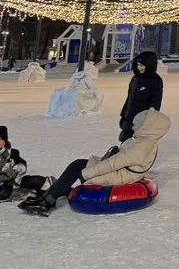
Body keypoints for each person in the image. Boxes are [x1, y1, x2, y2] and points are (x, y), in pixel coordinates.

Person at [18, 109, 170, 217]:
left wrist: (87, 174)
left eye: (136, 124)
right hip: (122, 172)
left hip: (121, 176)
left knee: (77, 168)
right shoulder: (144, 141)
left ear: (147, 127)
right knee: (78, 164)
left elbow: (113, 164)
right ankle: (53, 194)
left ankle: (47, 202)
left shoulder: (142, 145)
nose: (132, 127)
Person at [119, 50, 163, 143]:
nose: (139, 68)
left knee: (137, 147)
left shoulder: (155, 81)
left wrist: (145, 123)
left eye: (142, 65)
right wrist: (123, 116)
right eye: (138, 64)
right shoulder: (135, 78)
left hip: (141, 123)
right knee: (124, 144)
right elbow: (129, 99)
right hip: (129, 120)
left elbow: (154, 106)